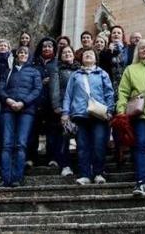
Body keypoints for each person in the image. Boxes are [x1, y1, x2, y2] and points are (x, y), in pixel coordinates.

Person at [116, 39, 145, 196]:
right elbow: (123, 91)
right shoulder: (130, 69)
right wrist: (121, 111)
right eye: (142, 48)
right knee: (141, 147)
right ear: (137, 51)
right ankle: (141, 182)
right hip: (139, 114)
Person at [62, 50, 115, 185]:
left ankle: (98, 173)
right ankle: (85, 174)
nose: (88, 55)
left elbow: (109, 93)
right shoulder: (75, 75)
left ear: (96, 58)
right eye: (86, 54)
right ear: (81, 59)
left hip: (99, 115)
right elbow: (68, 95)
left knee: (99, 145)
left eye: (91, 54)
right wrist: (65, 113)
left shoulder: (102, 74)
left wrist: (110, 110)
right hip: (80, 115)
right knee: (83, 146)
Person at [0, 45, 42, 187]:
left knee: (21, 144)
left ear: (29, 56)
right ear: (16, 56)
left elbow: (37, 89)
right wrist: (8, 100)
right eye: (20, 53)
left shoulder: (34, 72)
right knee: (6, 144)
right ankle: (5, 178)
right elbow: (0, 87)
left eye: (25, 53)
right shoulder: (8, 71)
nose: (23, 54)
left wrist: (23, 102)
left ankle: (17, 177)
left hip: (26, 110)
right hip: (7, 109)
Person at [50, 45, 80, 176]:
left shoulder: (80, 69)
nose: (67, 54)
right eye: (64, 53)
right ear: (61, 56)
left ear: (73, 54)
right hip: (64, 108)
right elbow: (54, 89)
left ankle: (81, 165)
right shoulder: (57, 69)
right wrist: (57, 106)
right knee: (65, 138)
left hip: (80, 108)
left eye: (70, 52)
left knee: (81, 138)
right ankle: (65, 165)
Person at [29, 37, 59, 166]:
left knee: (52, 131)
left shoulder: (58, 63)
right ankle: (31, 158)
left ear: (54, 48)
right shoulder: (33, 63)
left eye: (50, 46)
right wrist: (40, 83)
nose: (47, 48)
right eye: (44, 46)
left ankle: (52, 158)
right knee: (33, 131)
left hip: (52, 103)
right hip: (36, 102)